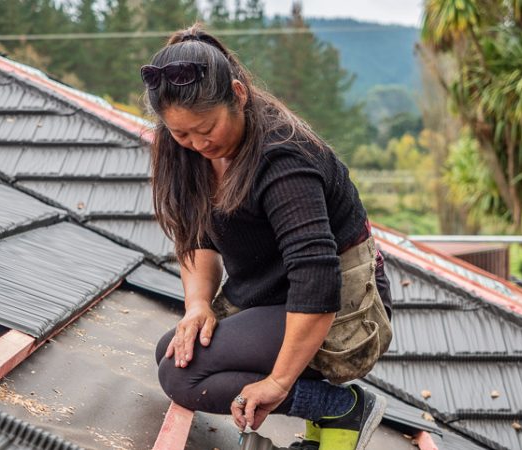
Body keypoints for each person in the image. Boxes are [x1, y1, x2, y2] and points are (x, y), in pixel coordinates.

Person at [146, 24, 393, 450]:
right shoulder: (186, 152)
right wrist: (198, 305)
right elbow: (195, 234)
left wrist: (278, 384)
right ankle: (329, 413)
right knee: (174, 354)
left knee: (182, 376)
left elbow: (316, 278)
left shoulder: (283, 158)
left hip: (337, 306)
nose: (196, 143)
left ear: (239, 95)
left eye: (206, 128)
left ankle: (339, 408)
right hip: (270, 296)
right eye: (181, 133)